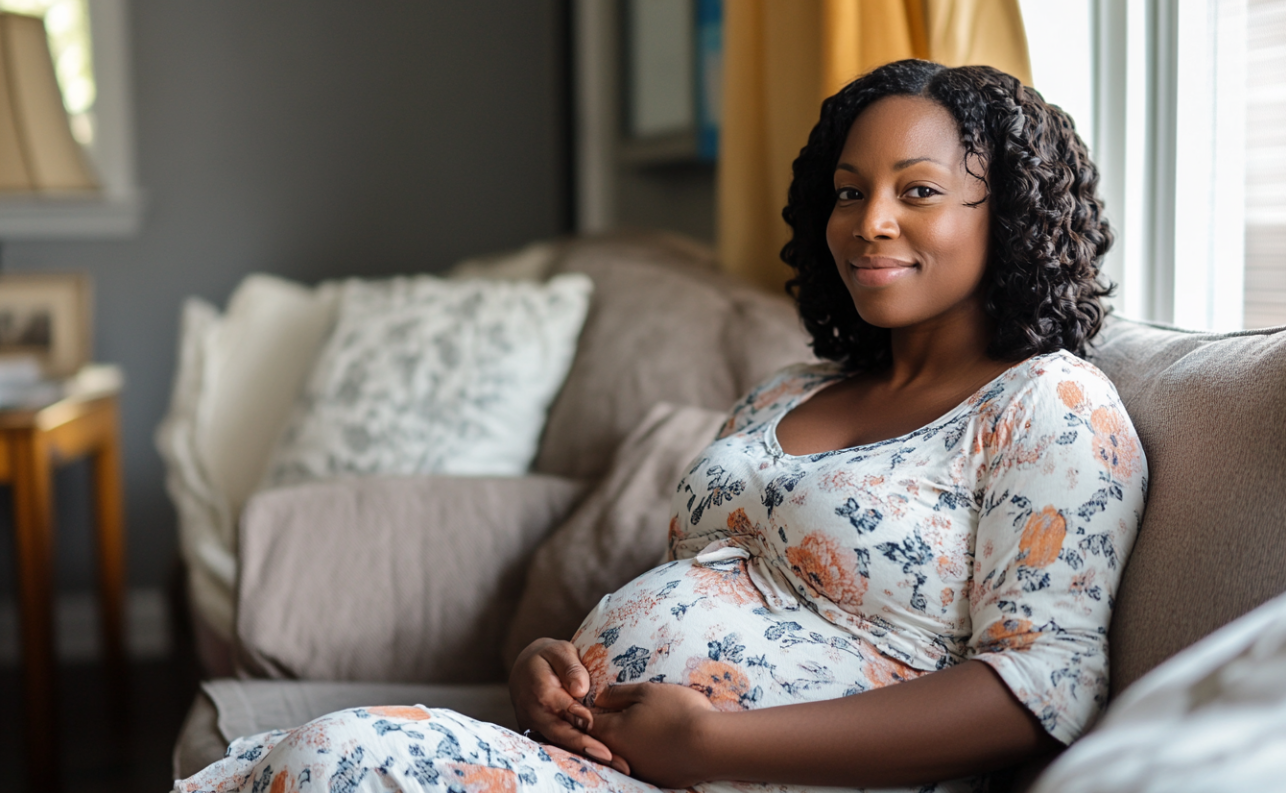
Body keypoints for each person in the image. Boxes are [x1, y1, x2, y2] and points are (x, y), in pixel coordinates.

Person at [176, 60, 1146, 793]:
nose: (867, 223)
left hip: (770, 778)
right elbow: (703, 586)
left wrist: (713, 741)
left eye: (916, 190)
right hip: (620, 763)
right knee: (327, 760)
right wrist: (548, 667)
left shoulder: (1047, 406)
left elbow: (1040, 687)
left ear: (1005, 213)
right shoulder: (788, 390)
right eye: (848, 192)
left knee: (341, 761)